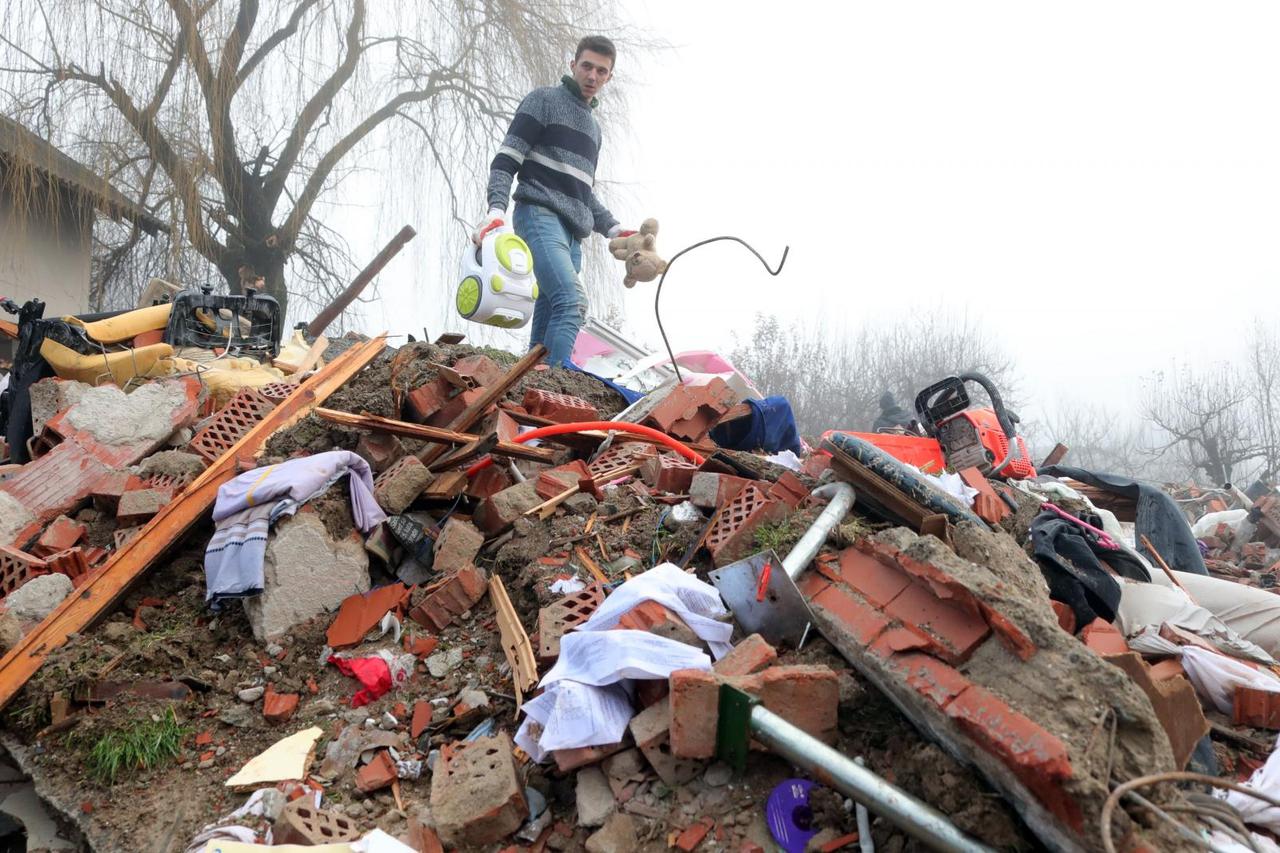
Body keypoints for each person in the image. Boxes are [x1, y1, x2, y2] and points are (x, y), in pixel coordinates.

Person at [474, 35, 634, 367]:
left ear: (609, 77)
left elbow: (582, 190)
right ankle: (558, 389)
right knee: (571, 302)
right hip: (539, 215)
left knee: (547, 320)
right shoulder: (543, 101)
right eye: (587, 66)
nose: (592, 76)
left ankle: (532, 382)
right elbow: (506, 159)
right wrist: (496, 209)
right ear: (572, 65)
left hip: (573, 235)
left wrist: (616, 230)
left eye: (601, 71)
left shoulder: (594, 129)